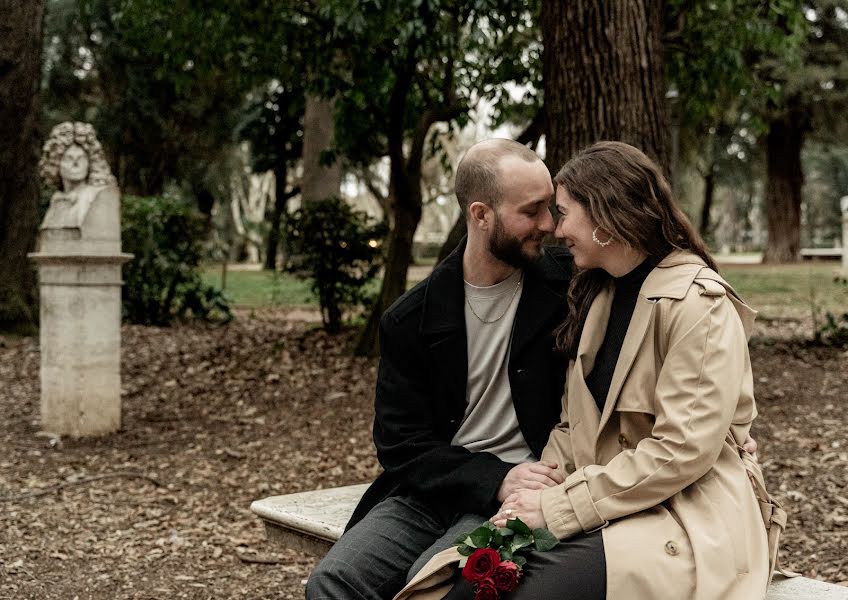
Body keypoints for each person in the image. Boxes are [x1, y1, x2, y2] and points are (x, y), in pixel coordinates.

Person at [482, 141, 773, 599]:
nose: (557, 231)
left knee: (526, 591)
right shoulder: (599, 296)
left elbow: (681, 452)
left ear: (604, 215)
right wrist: (531, 495)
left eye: (564, 212)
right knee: (474, 579)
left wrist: (558, 507)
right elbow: (572, 424)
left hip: (687, 515)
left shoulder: (698, 303)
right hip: (612, 505)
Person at [305, 138, 574, 600]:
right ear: (481, 215)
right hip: (435, 491)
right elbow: (401, 445)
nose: (549, 225)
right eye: (532, 212)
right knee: (333, 583)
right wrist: (494, 477)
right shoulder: (410, 319)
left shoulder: (570, 284)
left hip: (524, 496)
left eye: (551, 208)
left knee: (443, 584)